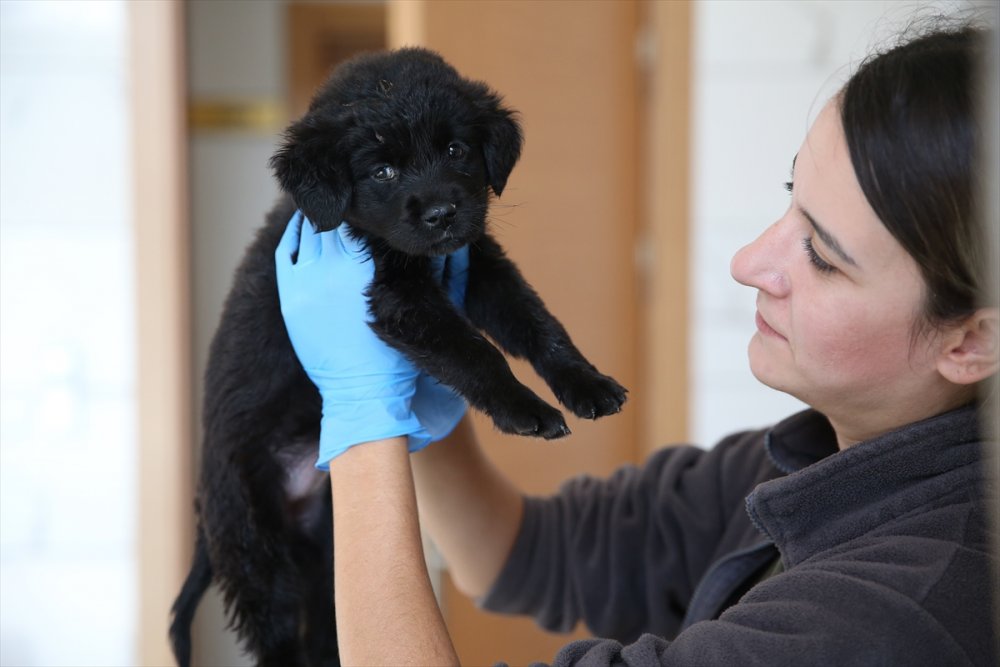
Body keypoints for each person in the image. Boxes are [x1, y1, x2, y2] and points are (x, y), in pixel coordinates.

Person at [274, 20, 999, 667]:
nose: (749, 261)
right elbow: (522, 553)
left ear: (971, 340)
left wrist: (362, 421)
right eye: (789, 197)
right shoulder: (800, 462)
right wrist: (420, 369)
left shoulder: (903, 615)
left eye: (824, 254)